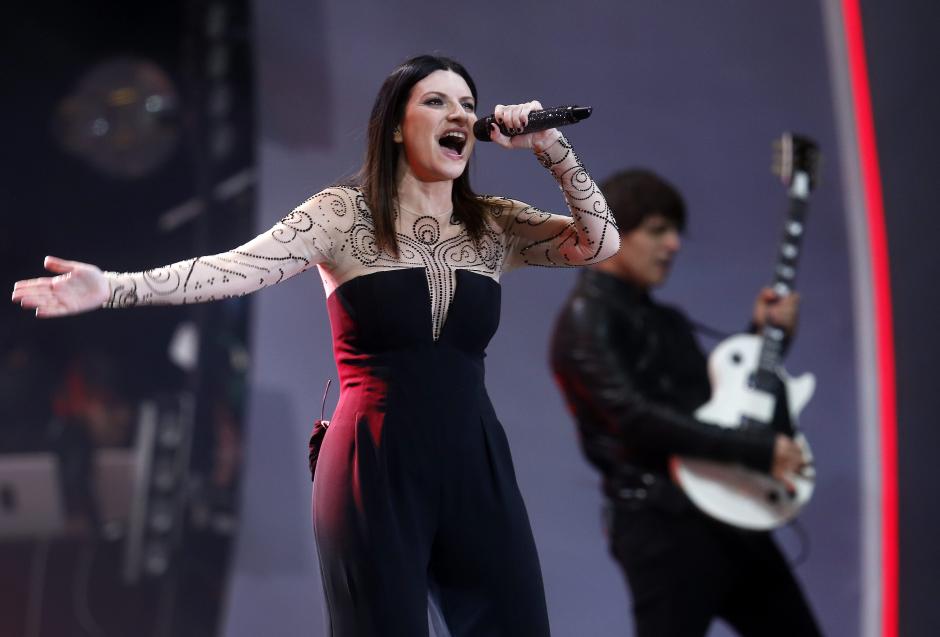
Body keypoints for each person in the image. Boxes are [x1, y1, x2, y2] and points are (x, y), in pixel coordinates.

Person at [12, 54, 619, 636]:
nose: (459, 114)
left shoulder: (492, 224)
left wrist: (550, 147)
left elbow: (600, 243)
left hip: (474, 455)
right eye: (436, 102)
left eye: (467, 103)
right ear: (394, 127)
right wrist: (113, 288)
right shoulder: (343, 215)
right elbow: (233, 269)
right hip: (374, 455)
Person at [549, 169, 822, 636]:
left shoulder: (665, 319)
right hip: (662, 524)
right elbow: (634, 418)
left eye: (676, 231)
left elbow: (710, 405)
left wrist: (763, 336)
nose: (673, 244)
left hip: (726, 508)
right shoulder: (585, 321)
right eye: (658, 230)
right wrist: (758, 451)